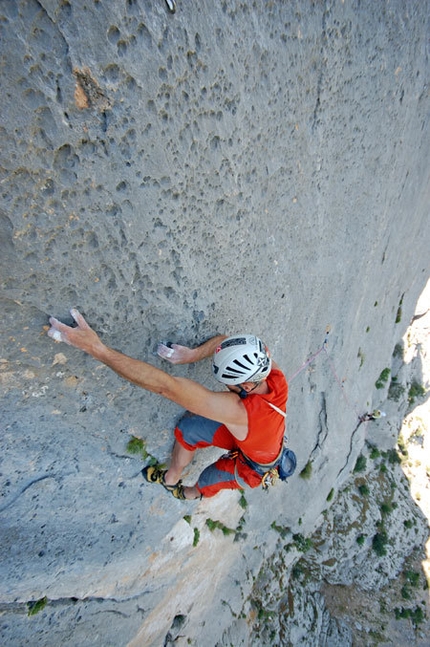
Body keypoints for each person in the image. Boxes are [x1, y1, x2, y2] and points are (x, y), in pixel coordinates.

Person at [48, 309, 289, 500]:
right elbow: (227, 342)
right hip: (254, 438)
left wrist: (97, 349)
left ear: (246, 387)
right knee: (188, 429)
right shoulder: (274, 376)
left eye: (227, 383)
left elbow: (166, 387)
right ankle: (172, 477)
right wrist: (193, 354)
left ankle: (183, 493)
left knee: (207, 482)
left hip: (253, 467)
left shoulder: (242, 411)